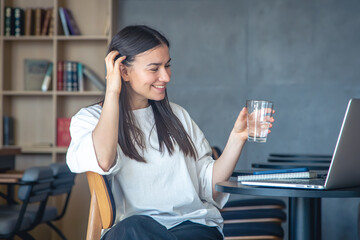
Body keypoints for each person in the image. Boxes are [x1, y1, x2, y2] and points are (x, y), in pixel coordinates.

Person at [66, 25, 274, 240]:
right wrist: (112, 90)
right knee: (135, 227)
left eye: (167, 66)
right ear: (123, 71)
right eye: (154, 68)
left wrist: (237, 138)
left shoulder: (177, 115)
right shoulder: (90, 119)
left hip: (190, 227)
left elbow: (209, 189)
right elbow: (103, 160)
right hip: (133, 232)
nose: (165, 77)